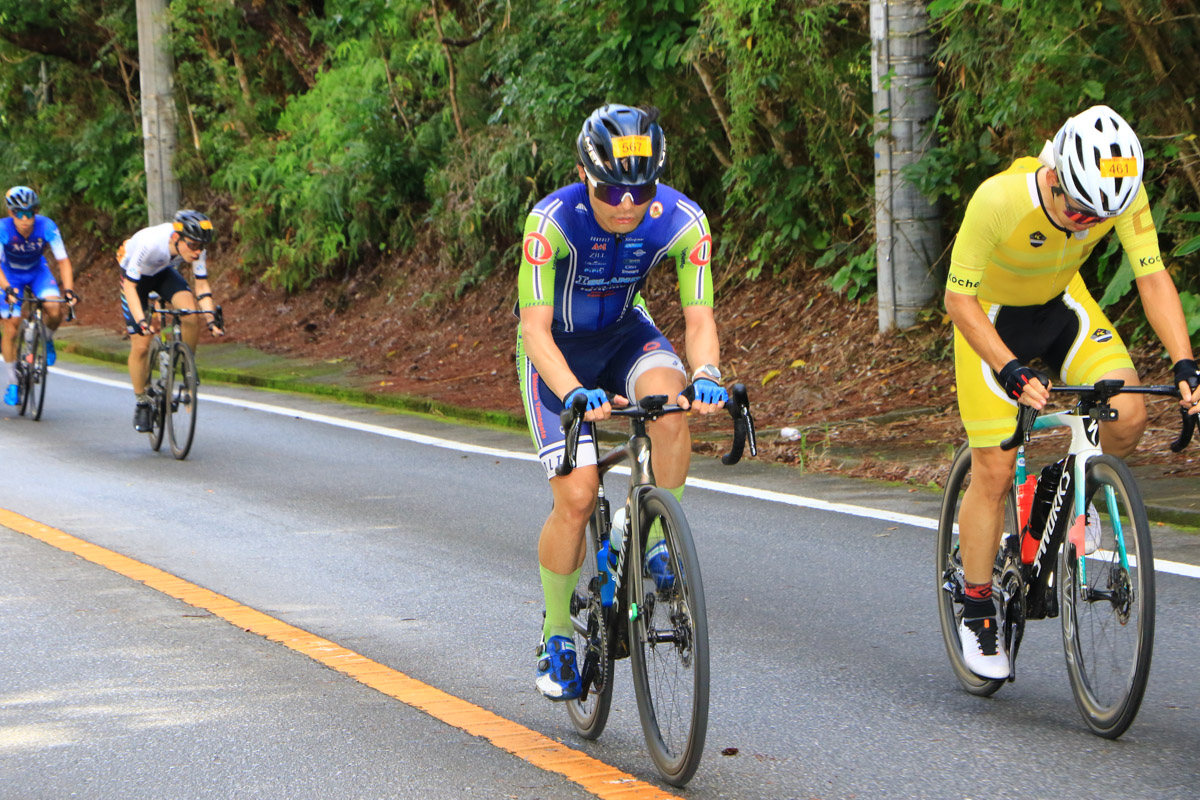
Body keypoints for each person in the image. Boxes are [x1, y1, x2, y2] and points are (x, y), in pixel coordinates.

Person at [944, 105, 1199, 680]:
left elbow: (1152, 274)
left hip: (1063, 306)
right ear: (1055, 175)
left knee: (1129, 413)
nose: (1086, 225)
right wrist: (1008, 369)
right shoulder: (999, 200)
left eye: (1098, 218)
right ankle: (978, 604)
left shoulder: (1118, 193)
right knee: (996, 467)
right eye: (1078, 210)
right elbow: (957, 300)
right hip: (990, 317)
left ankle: (1071, 486)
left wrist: (1185, 361)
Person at [515, 104, 728, 700]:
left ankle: (656, 539)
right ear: (584, 174)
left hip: (624, 334)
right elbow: (534, 331)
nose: (627, 204)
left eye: (641, 189)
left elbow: (699, 314)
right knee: (578, 496)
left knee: (674, 405)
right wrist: (572, 391)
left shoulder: (683, 219)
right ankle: (557, 632)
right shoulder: (551, 220)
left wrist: (707, 370)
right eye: (612, 189)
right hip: (556, 356)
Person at [118, 209, 223, 432]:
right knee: (141, 345)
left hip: (163, 273)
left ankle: (188, 369)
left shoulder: (195, 247)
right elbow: (130, 286)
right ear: (177, 237)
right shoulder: (149, 243)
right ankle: (142, 401)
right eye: (193, 246)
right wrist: (141, 320)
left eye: (201, 247)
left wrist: (211, 319)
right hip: (135, 280)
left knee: (189, 313)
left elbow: (202, 286)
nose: (197, 252)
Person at [0, 186, 77, 405]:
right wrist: (6, 289)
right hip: (9, 276)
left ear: (36, 211)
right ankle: (13, 382)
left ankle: (47, 338)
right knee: (12, 324)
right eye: (19, 213)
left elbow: (63, 260)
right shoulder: (3, 229)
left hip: (37, 272)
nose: (25, 219)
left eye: (30, 212)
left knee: (54, 308)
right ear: (10, 213)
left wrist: (69, 291)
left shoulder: (47, 226)